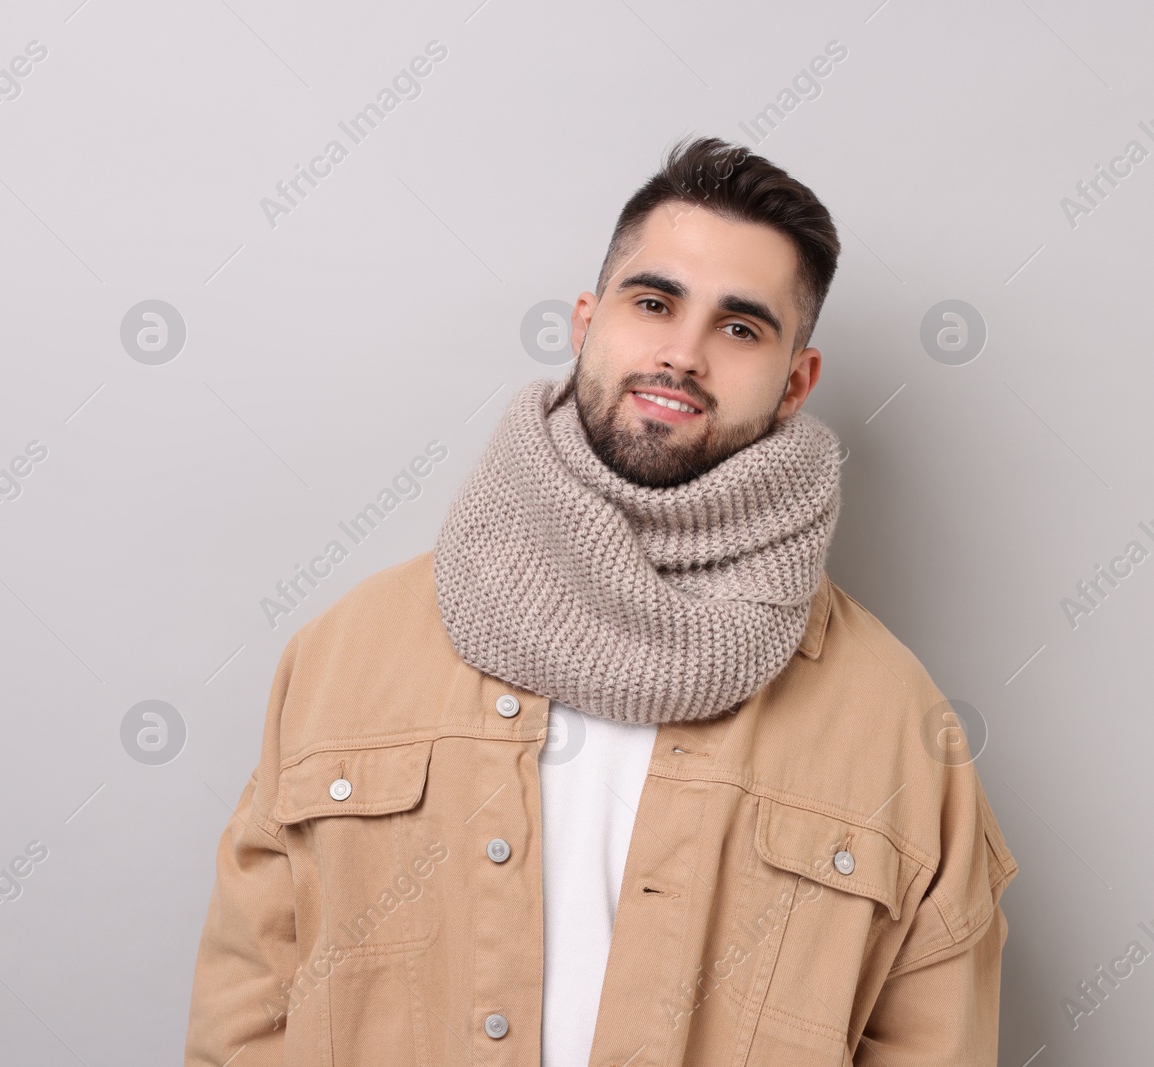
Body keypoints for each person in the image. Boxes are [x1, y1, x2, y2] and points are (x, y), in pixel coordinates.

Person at [184, 135, 1017, 1066]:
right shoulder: (344, 654)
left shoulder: (896, 725)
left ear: (796, 383)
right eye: (654, 302)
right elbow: (246, 1011)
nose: (683, 354)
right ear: (586, 322)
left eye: (740, 328)